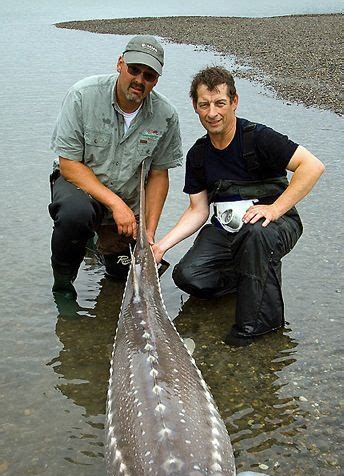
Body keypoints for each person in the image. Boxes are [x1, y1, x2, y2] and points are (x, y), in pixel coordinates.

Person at [151, 66, 324, 346]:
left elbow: (312, 166)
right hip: (226, 232)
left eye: (220, 103)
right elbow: (198, 210)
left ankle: (258, 327)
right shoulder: (198, 154)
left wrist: (274, 209)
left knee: (256, 234)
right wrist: (161, 247)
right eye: (204, 104)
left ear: (234, 101)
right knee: (188, 276)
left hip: (273, 226)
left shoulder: (258, 138)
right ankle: (245, 278)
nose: (212, 113)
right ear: (195, 106)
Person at [49, 35, 183, 297]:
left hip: (128, 199)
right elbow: (68, 165)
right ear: (120, 63)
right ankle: (63, 284)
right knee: (75, 216)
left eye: (148, 76)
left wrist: (149, 232)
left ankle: (98, 243)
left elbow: (158, 175)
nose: (139, 80)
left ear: (156, 80)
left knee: (121, 277)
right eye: (134, 70)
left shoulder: (166, 115)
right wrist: (115, 205)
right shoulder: (82, 95)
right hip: (81, 188)